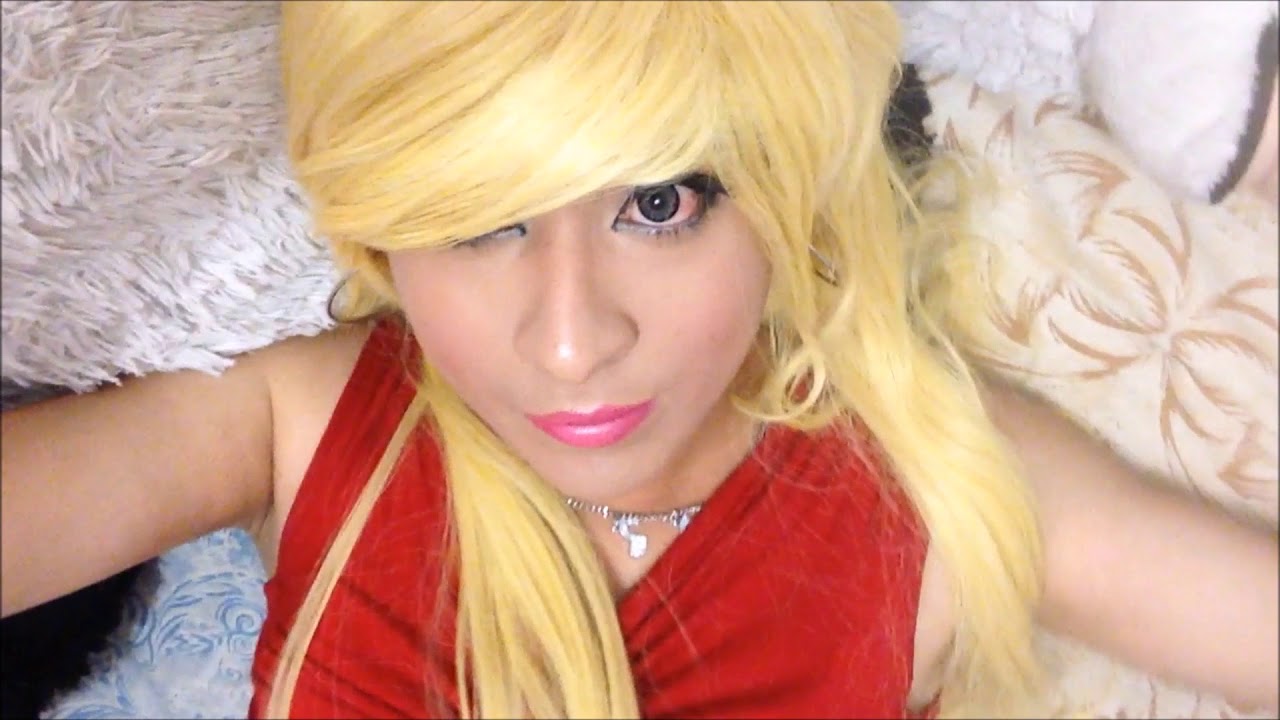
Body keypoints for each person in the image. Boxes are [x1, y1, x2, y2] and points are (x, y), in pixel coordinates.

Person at [1, 2, 1276, 718]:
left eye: (660, 203)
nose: (569, 342)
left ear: (788, 182)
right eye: (476, 218)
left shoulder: (937, 485)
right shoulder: (299, 418)